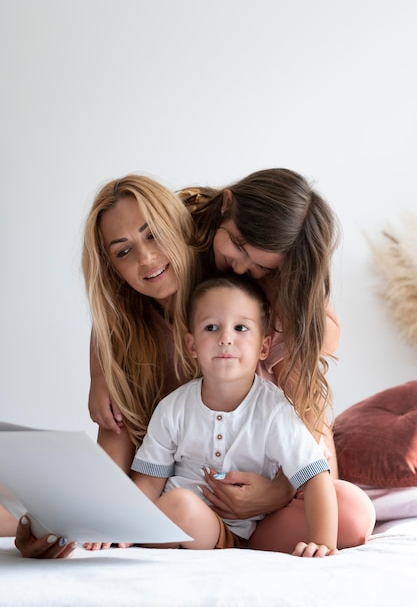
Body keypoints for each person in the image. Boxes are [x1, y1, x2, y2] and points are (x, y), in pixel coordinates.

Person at [12, 169, 375, 557]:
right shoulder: (137, 327)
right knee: (52, 501)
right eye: (123, 251)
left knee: (349, 511)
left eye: (153, 235)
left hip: (272, 483)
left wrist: (281, 491)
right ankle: (127, 525)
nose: (148, 257)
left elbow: (314, 367)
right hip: (192, 503)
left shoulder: (251, 294)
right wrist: (98, 372)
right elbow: (118, 445)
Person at [132, 275, 338, 557]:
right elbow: (148, 480)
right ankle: (132, 535)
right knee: (173, 504)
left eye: (241, 328)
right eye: (211, 327)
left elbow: (316, 477)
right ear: (192, 346)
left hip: (226, 529)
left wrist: (323, 543)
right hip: (177, 512)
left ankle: (152, 533)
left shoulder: (274, 410)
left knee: (181, 506)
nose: (225, 338)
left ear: (264, 347)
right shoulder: (173, 408)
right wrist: (121, 526)